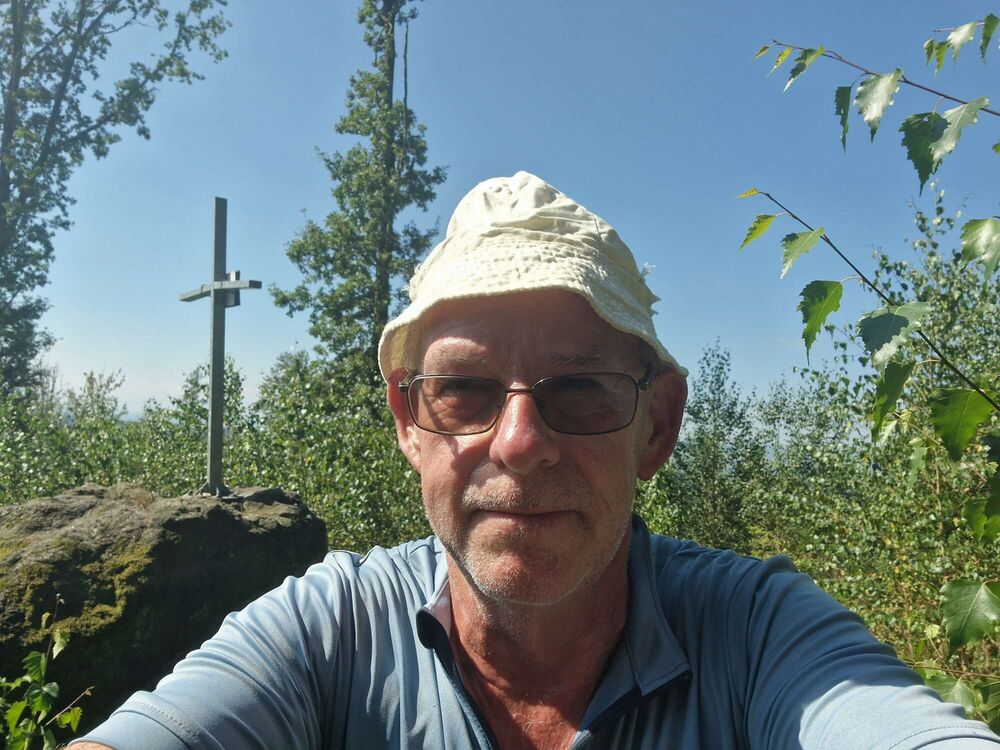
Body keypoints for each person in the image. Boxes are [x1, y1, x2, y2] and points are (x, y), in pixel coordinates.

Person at [72, 172, 1000, 749]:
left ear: (658, 427)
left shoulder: (759, 636)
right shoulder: (332, 631)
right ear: (408, 422)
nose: (518, 442)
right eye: (464, 391)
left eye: (581, 389)